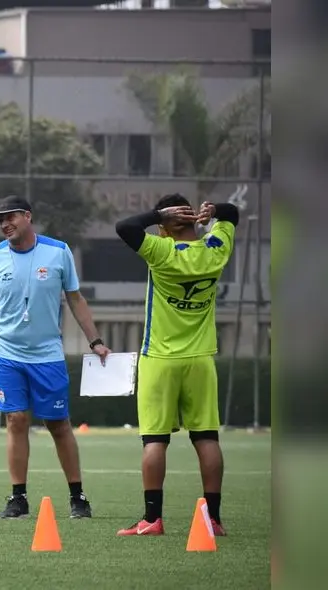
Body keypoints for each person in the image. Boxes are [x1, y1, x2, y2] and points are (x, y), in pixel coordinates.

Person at [0, 195, 109, 520]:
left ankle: (77, 496)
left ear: (27, 216)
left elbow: (75, 299)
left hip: (47, 355)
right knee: (16, 420)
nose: (4, 224)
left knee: (58, 424)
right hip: (6, 353)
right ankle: (18, 498)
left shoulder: (58, 251)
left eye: (9, 217)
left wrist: (95, 340)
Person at [113, 194, 237, 537]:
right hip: (200, 360)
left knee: (155, 441)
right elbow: (233, 215)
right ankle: (213, 519)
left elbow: (125, 227)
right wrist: (214, 213)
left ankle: (152, 520)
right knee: (207, 438)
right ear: (194, 220)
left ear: (165, 227)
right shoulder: (215, 249)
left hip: (160, 359)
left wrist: (157, 215)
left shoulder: (161, 251)